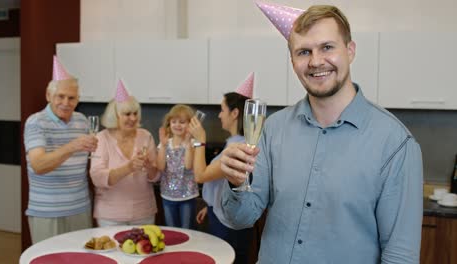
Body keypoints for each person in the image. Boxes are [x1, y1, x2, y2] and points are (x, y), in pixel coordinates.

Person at [219, 3, 423, 264]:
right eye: (303, 52)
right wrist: (236, 182)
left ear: (350, 51)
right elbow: (241, 218)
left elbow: (400, 257)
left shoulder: (395, 144)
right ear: (292, 62)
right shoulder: (273, 129)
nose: (316, 61)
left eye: (327, 47)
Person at [24, 56, 98, 243]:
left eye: (71, 98)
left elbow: (87, 159)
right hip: (47, 211)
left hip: (80, 209)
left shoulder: (82, 121)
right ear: (49, 96)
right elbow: (39, 165)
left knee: (81, 259)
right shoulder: (36, 122)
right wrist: (72, 146)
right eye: (60, 96)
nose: (66, 102)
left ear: (78, 99)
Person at [188, 72, 255, 264]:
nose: (219, 114)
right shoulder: (236, 142)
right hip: (224, 217)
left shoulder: (237, 148)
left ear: (234, 114)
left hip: (229, 225)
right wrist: (211, 206)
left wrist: (200, 141)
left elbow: (200, 176)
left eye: (222, 109)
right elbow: (223, 183)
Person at [90, 80, 159, 226]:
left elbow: (156, 176)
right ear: (115, 116)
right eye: (127, 114)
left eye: (135, 113)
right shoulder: (101, 139)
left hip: (144, 212)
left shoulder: (145, 136)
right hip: (110, 215)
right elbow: (97, 177)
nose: (133, 118)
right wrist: (129, 167)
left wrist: (149, 166)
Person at [156, 104, 199, 229]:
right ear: (169, 124)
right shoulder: (165, 143)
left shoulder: (193, 144)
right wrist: (163, 146)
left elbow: (188, 165)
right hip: (167, 195)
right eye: (174, 122)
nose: (177, 125)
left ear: (190, 125)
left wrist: (187, 145)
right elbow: (160, 166)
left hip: (187, 195)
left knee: (187, 230)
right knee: (172, 230)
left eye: (182, 122)